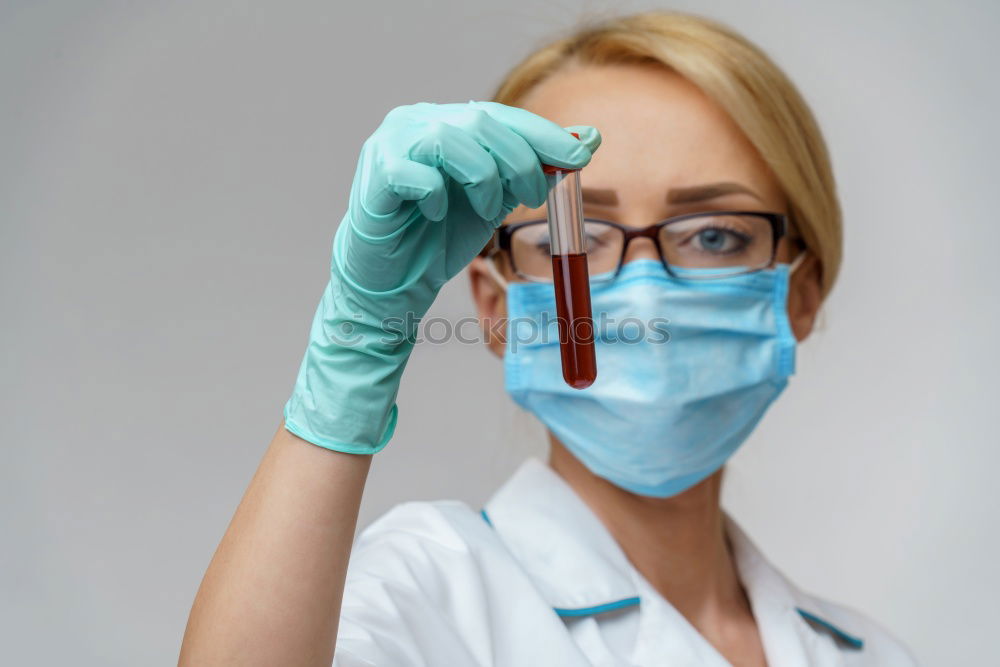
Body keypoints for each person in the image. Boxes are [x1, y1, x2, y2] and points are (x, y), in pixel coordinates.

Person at [180, 11, 918, 666]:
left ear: (800, 293)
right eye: (581, 234)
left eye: (714, 234)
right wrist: (346, 366)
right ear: (495, 305)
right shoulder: (428, 591)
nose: (645, 289)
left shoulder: (872, 654)